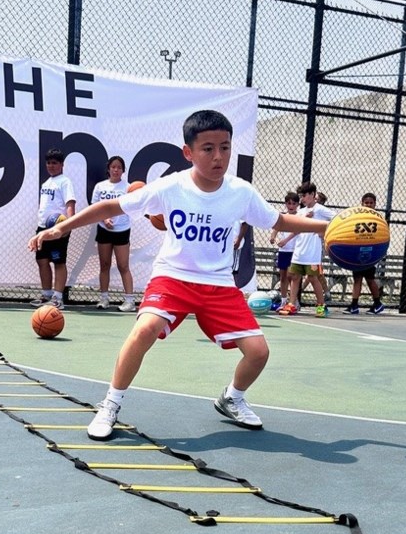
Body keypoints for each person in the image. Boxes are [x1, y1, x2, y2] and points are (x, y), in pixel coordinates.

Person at [28, 109, 329, 440]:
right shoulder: (170, 187)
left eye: (225, 147)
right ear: (188, 152)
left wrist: (326, 227)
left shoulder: (241, 191)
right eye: (208, 148)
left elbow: (279, 222)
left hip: (218, 284)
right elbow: (111, 208)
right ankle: (110, 404)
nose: (218, 157)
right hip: (172, 277)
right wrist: (61, 228)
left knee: (259, 352)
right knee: (145, 329)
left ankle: (232, 398)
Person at [277, 181, 335, 318]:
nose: (302, 199)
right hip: (299, 251)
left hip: (313, 253)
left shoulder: (320, 210)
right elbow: (296, 228)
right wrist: (286, 240)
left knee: (313, 278)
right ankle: (292, 304)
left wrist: (324, 233)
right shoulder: (301, 212)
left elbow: (336, 220)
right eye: (301, 196)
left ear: (312, 194)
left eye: (304, 196)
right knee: (294, 277)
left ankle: (321, 305)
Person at [90, 155, 136, 312]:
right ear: (108, 169)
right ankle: (104, 299)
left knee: (123, 266)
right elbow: (95, 207)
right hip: (104, 230)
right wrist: (104, 219)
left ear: (123, 170)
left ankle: (130, 301)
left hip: (122, 230)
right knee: (104, 265)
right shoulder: (100, 187)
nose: (116, 170)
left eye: (119, 167)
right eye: (113, 167)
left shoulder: (129, 188)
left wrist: (116, 219)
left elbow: (132, 207)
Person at [32, 149, 76, 309]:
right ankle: (47, 295)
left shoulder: (65, 182)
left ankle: (58, 298)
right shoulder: (46, 183)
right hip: (43, 228)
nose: (51, 166)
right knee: (42, 261)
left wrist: (68, 225)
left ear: (62, 165)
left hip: (58, 229)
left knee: (58, 262)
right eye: (49, 163)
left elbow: (70, 204)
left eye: (54, 163)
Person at [344, 192, 386, 316]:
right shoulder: (357, 217)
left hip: (370, 253)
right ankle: (355, 305)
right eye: (366, 203)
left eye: (371, 203)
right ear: (362, 204)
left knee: (369, 279)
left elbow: (382, 234)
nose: (368, 205)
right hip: (357, 251)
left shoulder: (378, 218)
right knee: (357, 278)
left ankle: (377, 303)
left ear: (375, 204)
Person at [268, 192, 300, 309]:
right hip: (283, 251)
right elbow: (277, 227)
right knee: (283, 277)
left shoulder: (299, 216)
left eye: (293, 203)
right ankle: (283, 300)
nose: (291, 206)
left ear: (297, 204)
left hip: (294, 250)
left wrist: (286, 240)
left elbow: (297, 230)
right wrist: (273, 236)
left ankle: (294, 300)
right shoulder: (283, 216)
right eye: (288, 203)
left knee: (292, 276)